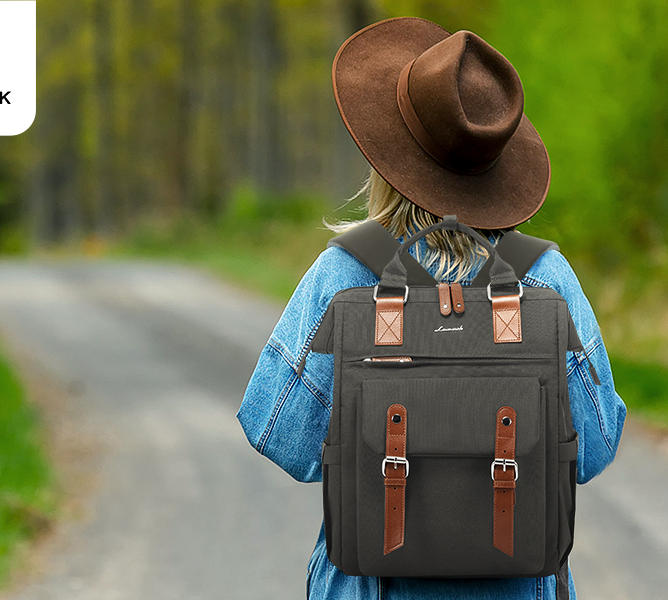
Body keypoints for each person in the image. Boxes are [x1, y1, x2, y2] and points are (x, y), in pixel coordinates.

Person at [237, 16, 626, 600]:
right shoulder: (544, 278)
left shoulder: (345, 274)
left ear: (387, 158)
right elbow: (594, 447)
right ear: (496, 164)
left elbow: (282, 437)